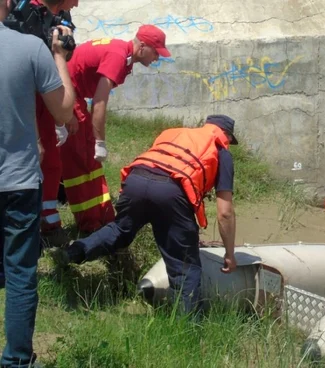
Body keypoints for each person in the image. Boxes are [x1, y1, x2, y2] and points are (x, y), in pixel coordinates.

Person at [49, 115, 238, 316]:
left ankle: (72, 253)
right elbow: (225, 212)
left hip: (136, 180)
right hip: (171, 191)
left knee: (119, 230)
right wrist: (229, 253)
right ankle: (190, 328)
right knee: (184, 266)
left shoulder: (177, 133)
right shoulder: (221, 152)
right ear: (225, 135)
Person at [1, 0, 76, 364]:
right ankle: (16, 360)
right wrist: (59, 55)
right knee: (19, 273)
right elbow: (63, 110)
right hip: (17, 181)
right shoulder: (29, 47)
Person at [43, 24, 170, 237]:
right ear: (142, 46)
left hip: (72, 93)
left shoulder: (123, 54)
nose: (157, 58)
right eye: (156, 52)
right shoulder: (118, 56)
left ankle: (100, 217)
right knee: (80, 162)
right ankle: (90, 224)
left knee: (87, 163)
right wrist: (99, 141)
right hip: (69, 94)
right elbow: (100, 102)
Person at [25, 0, 81, 247]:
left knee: (51, 158)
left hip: (46, 89)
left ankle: (47, 218)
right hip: (22, 90)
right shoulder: (23, 11)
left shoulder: (59, 15)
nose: (78, 4)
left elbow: (65, 59)